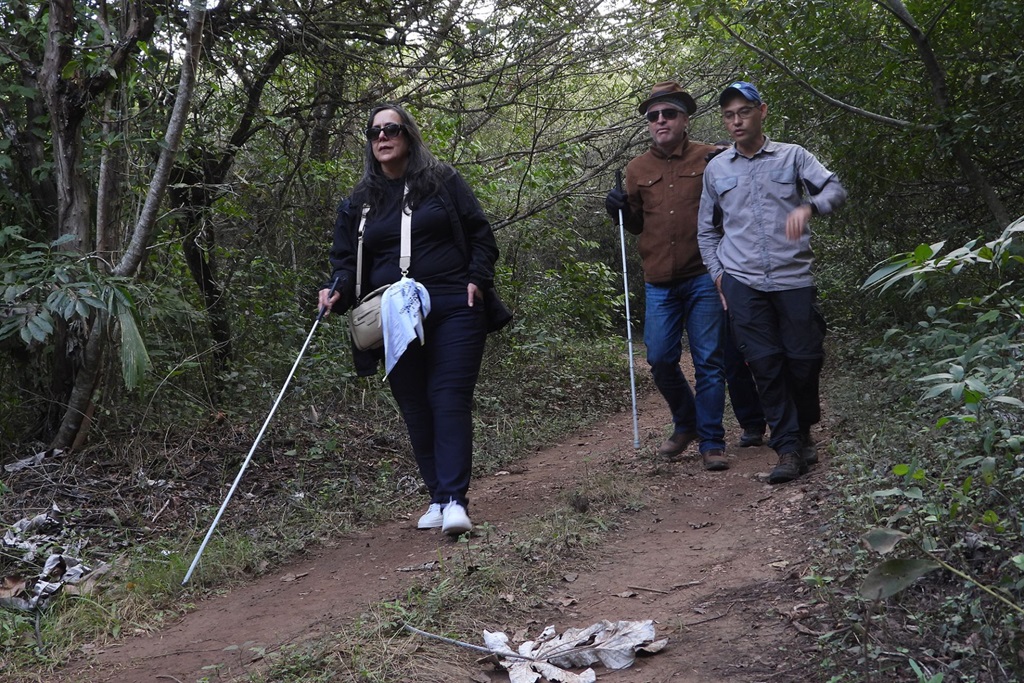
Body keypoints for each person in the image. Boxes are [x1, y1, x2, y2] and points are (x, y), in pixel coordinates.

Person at [319, 103, 500, 534]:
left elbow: (481, 235)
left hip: (455, 304)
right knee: (415, 405)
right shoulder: (358, 203)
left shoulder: (442, 182)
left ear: (408, 135)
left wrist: (478, 277)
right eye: (374, 131)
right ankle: (437, 497)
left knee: (447, 396)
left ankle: (456, 500)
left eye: (392, 129)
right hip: (392, 317)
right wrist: (335, 289)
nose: (382, 137)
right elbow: (344, 261)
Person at [605, 80, 763, 471]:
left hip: (704, 276)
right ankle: (687, 421)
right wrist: (618, 211)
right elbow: (638, 225)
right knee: (659, 358)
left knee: (709, 361)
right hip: (658, 280)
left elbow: (737, 208)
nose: (661, 121)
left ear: (685, 118)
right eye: (653, 116)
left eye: (669, 113)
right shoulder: (636, 169)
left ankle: (712, 442)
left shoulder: (713, 157)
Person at [697, 81, 848, 484]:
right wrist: (719, 276)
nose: (736, 121)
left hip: (792, 277)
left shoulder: (792, 156)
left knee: (804, 360)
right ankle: (786, 448)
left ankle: (802, 431)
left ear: (761, 111)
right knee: (764, 365)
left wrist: (809, 206)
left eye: (743, 111)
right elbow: (707, 232)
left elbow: (835, 188)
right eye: (729, 115)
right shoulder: (717, 169)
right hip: (742, 280)